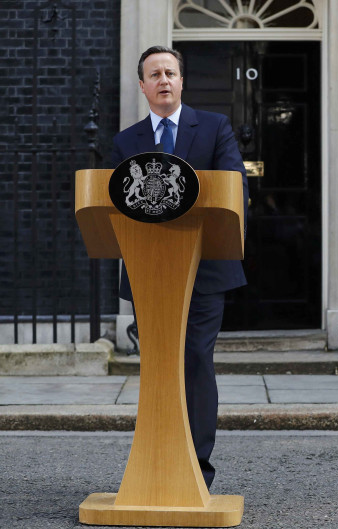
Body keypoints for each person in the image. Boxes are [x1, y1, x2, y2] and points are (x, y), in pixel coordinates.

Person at [112, 45, 249, 489]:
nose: (164, 80)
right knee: (157, 364)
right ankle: (156, 461)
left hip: (205, 270)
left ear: (182, 81)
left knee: (194, 359)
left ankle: (196, 468)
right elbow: (114, 206)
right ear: (143, 85)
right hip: (148, 271)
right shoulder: (125, 141)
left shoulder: (214, 128)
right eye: (154, 74)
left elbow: (233, 190)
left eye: (170, 72)